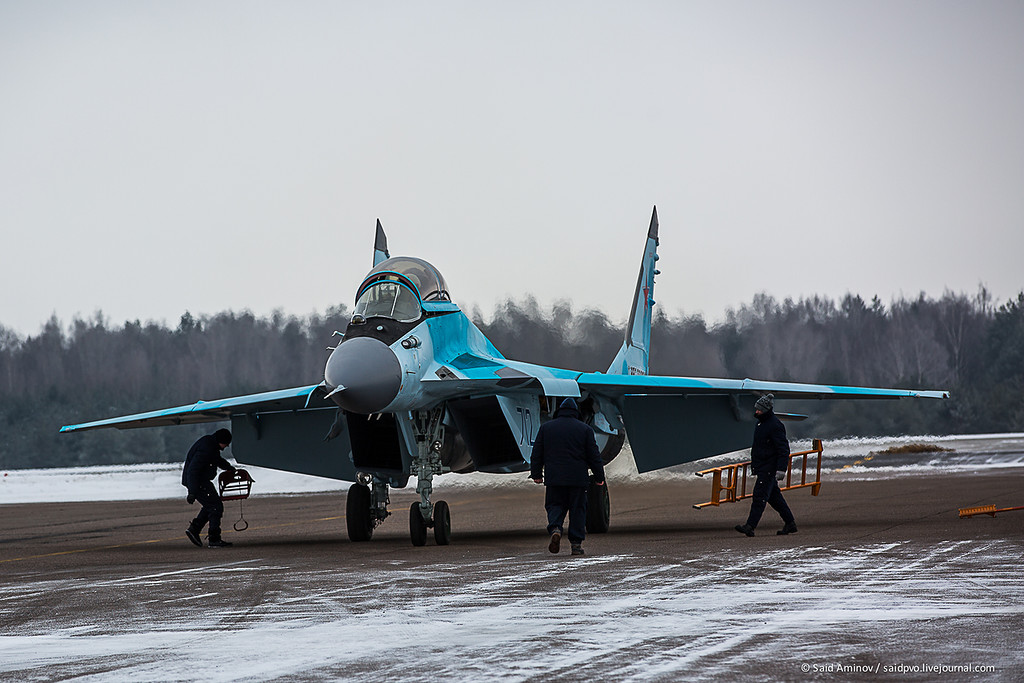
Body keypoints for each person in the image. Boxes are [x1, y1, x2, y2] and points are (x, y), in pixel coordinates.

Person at [530, 398, 606, 556]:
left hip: (554, 478)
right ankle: (576, 545)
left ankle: (556, 528)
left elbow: (536, 453)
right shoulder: (585, 429)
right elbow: (594, 456)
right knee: (578, 510)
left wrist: (536, 474)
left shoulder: (546, 428)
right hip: (578, 479)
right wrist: (599, 477)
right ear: (576, 412)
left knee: (554, 506)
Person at [736, 394, 798, 537]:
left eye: (758, 409)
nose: (756, 412)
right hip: (763, 467)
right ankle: (790, 523)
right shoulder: (761, 424)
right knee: (775, 499)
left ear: (765, 410)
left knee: (759, 497)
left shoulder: (775, 425)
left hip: (768, 469)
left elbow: (783, 449)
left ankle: (750, 526)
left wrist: (781, 469)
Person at [182, 428, 236, 548]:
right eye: (226, 444)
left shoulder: (211, 445)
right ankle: (214, 539)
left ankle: (194, 529)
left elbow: (216, 460)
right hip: (197, 482)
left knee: (211, 505)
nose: (226, 446)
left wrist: (228, 467)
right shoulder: (207, 448)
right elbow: (193, 470)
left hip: (201, 481)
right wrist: (192, 492)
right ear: (222, 440)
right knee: (216, 507)